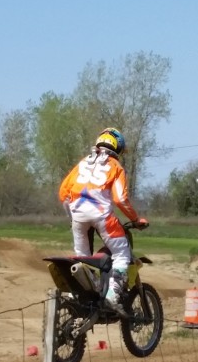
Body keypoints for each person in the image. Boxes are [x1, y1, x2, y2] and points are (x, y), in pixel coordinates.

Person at [59, 127, 148, 315]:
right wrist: (135, 219)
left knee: (82, 258)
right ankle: (112, 296)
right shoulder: (115, 166)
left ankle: (83, 296)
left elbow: (63, 193)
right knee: (122, 254)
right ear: (118, 147)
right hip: (103, 217)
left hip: (77, 216)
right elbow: (120, 199)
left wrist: (73, 217)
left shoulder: (83, 162)